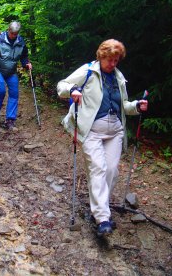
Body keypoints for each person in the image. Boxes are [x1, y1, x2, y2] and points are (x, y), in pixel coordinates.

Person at [57, 39, 148, 237]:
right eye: (110, 60)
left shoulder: (118, 76)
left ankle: (99, 209)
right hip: (91, 131)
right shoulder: (89, 71)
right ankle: (102, 218)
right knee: (98, 168)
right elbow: (62, 85)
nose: (113, 64)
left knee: (111, 171)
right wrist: (72, 90)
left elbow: (123, 105)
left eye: (116, 60)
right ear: (101, 56)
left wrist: (136, 106)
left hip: (115, 131)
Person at [0, 21, 32, 130]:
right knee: (1, 91)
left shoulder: (21, 42)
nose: (13, 35)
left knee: (14, 93)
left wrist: (26, 64)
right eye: (12, 33)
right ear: (8, 30)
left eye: (15, 34)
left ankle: (10, 121)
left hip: (11, 71)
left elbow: (24, 56)